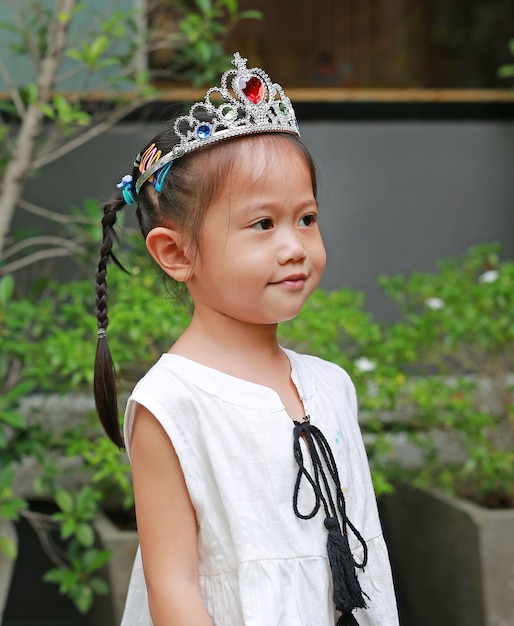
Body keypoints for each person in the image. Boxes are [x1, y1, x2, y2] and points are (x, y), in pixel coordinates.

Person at [94, 52, 399, 626]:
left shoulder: (330, 386)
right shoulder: (173, 403)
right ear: (177, 253)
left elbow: (363, 565)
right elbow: (173, 588)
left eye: (306, 218)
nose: (294, 246)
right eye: (263, 224)